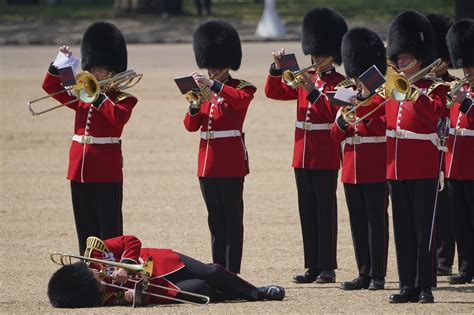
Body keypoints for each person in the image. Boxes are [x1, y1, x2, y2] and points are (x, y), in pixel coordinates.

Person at [356, 10, 449, 303]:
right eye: (398, 58)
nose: (400, 63)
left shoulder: (436, 88)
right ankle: (407, 284)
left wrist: (413, 94)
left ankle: (425, 286)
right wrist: (359, 107)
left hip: (423, 165)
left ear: (420, 59)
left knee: (424, 230)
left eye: (406, 58)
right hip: (395, 167)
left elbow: (434, 115)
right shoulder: (391, 90)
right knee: (403, 229)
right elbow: (379, 120)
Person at [265, 7, 348, 284]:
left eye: (320, 54)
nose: (314, 58)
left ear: (333, 55)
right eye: (313, 53)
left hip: (325, 151)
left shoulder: (341, 83)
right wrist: (277, 70)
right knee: (307, 210)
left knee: (325, 209)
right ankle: (312, 264)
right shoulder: (306, 77)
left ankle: (328, 266)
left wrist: (312, 93)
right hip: (302, 152)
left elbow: (331, 113)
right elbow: (274, 92)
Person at [41, 22, 138, 254]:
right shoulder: (82, 95)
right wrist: (58, 64)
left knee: (109, 229)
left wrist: (95, 97)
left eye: (101, 70)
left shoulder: (123, 99)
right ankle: (88, 272)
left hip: (106, 170)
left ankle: (111, 275)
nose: (95, 74)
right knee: (84, 227)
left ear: (112, 72)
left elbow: (117, 118)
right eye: (92, 69)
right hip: (80, 168)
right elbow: (51, 88)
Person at [183, 20, 256, 274]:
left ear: (227, 64)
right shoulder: (204, 91)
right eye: (210, 65)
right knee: (215, 220)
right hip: (207, 164)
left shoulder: (242, 88)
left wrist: (213, 85)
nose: (212, 70)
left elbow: (237, 102)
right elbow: (191, 126)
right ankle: (218, 269)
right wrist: (193, 106)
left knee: (232, 220)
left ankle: (232, 271)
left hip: (231, 162)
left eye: (216, 65)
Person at [47, 235, 285, 308]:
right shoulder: (102, 296)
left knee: (211, 271)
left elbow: (130, 241)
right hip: (159, 288)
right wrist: (136, 297)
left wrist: (128, 265)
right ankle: (234, 294)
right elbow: (140, 299)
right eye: (96, 286)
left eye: (95, 279)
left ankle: (257, 293)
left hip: (163, 261)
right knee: (201, 289)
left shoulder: (95, 251)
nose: (101, 282)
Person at [331, 27, 389, 291]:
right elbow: (335, 135)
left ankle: (378, 274)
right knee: (357, 223)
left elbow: (382, 128)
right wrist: (344, 117)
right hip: (351, 167)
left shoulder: (384, 97)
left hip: (376, 166)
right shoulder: (347, 95)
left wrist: (365, 103)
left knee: (377, 222)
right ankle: (363, 272)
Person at [427, 13, 457, 277]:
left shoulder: (452, 85)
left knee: (448, 207)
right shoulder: (422, 85)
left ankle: (444, 259)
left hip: (449, 151)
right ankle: (434, 256)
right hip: (425, 151)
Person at [445, 18, 474, 285]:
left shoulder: (465, 95)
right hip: (454, 162)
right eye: (464, 66)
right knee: (461, 221)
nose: (467, 71)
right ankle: (466, 267)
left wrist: (465, 105)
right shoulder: (461, 88)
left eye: (470, 66)